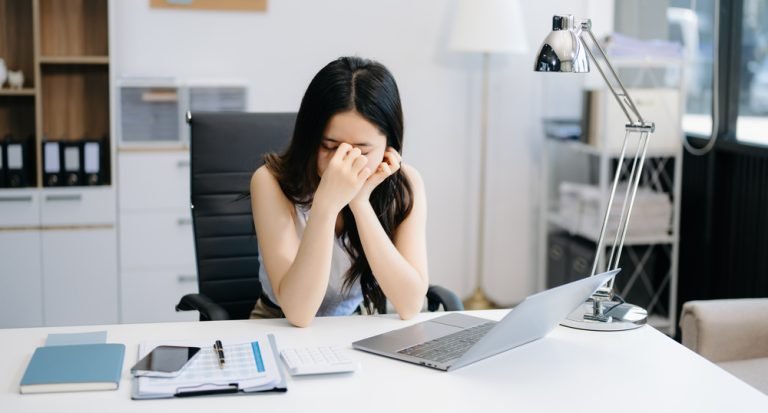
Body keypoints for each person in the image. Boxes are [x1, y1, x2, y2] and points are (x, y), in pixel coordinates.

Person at [249, 56, 429, 327]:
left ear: (388, 146)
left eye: (363, 150)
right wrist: (326, 204)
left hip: (353, 326)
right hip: (278, 323)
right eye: (330, 146)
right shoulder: (270, 182)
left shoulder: (406, 185)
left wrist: (360, 202)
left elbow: (410, 303)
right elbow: (298, 312)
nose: (342, 162)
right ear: (309, 138)